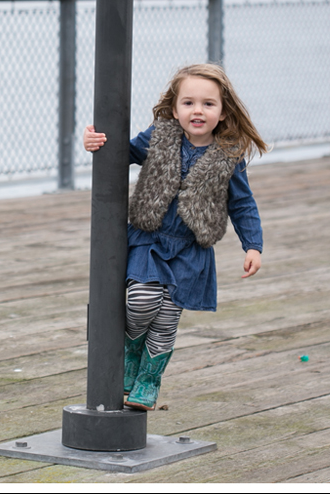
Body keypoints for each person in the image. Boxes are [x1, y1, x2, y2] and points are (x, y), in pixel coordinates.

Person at [83, 63, 267, 411]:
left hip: (190, 249)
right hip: (150, 239)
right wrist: (94, 143)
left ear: (222, 112)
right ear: (174, 108)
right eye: (189, 103)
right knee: (140, 303)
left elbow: (242, 204)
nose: (198, 111)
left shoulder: (229, 155)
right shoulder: (159, 136)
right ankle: (130, 356)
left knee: (166, 318)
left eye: (208, 104)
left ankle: (148, 380)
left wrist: (253, 246)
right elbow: (121, 153)